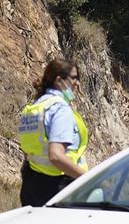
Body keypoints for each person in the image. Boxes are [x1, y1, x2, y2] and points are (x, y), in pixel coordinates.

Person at [17, 58, 89, 207]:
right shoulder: (60, 109)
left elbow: (29, 151)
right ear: (59, 80)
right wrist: (88, 179)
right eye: (74, 78)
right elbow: (56, 156)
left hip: (32, 185)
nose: (77, 83)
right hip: (58, 188)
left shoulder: (35, 108)